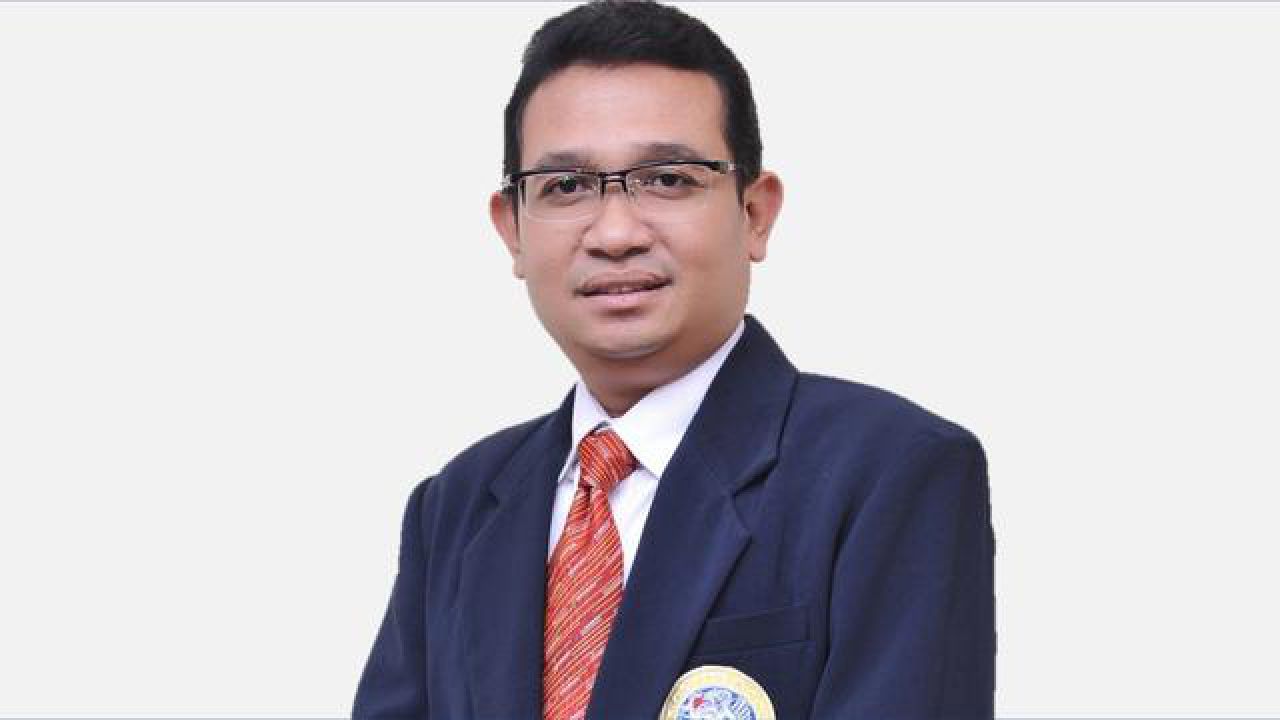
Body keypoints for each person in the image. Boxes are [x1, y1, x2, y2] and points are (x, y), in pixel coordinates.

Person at [353, 2, 995, 718]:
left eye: (668, 179)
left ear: (755, 213)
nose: (615, 234)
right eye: (566, 187)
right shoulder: (455, 507)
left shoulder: (888, 471)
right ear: (513, 232)